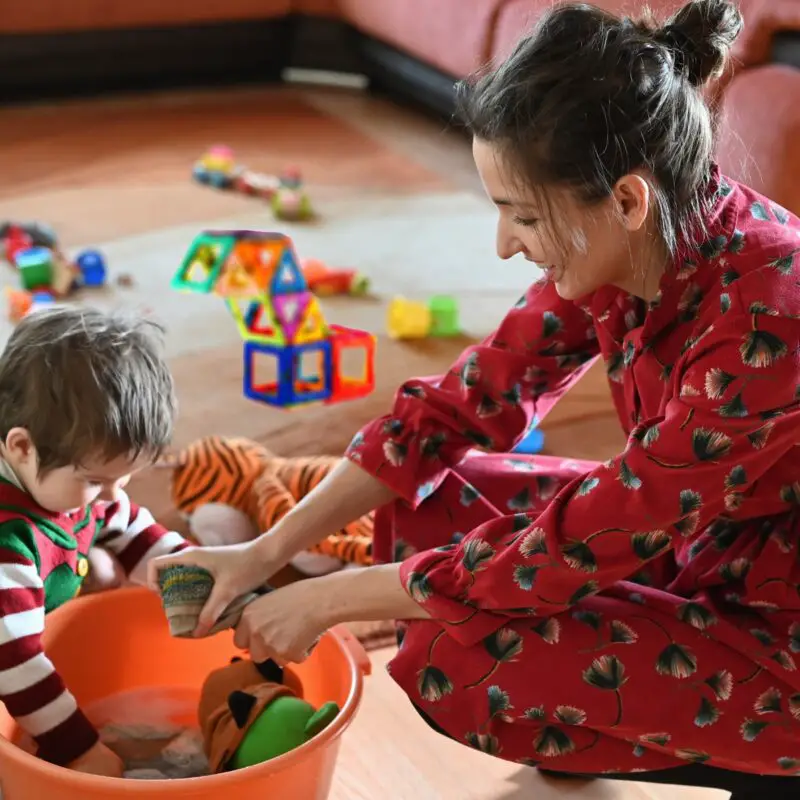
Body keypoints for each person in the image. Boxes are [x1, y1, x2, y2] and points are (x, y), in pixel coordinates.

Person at [151, 0, 800, 795]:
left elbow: (581, 544)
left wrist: (331, 599)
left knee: (453, 656)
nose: (503, 245)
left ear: (625, 200)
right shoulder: (640, 237)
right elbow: (452, 411)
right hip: (696, 550)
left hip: (776, 630)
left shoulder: (769, 322)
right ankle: (610, 705)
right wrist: (265, 553)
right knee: (427, 502)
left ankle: (754, 761)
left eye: (523, 216)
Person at [0, 306, 189, 777]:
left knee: (104, 564)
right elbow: (16, 662)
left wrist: (197, 581)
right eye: (94, 480)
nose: (112, 494)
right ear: (21, 448)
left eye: (124, 477)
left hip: (23, 611)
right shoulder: (8, 542)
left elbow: (129, 525)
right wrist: (77, 749)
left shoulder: (70, 484)